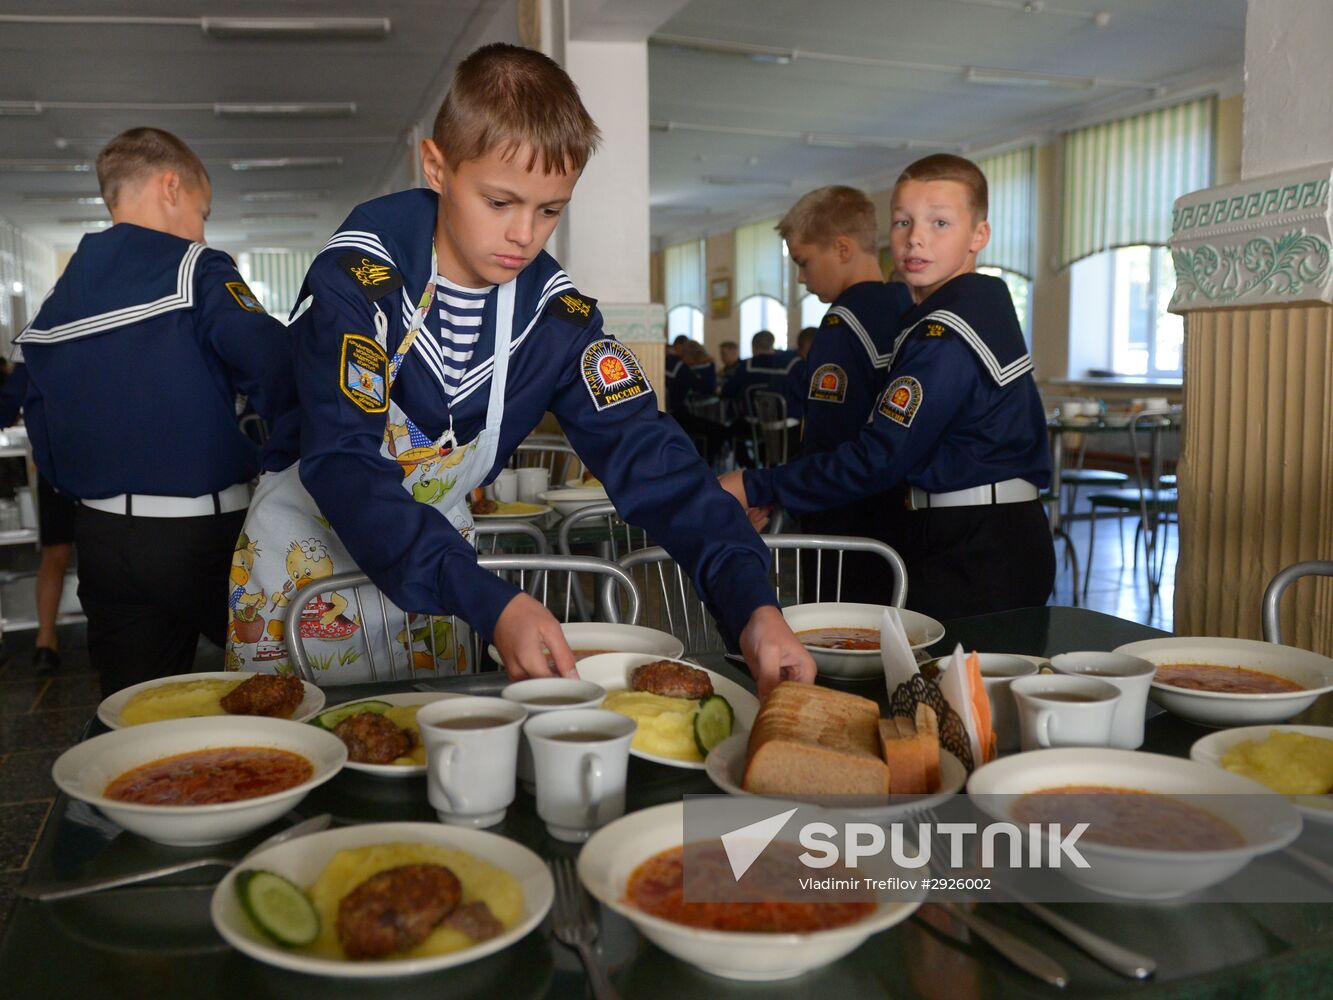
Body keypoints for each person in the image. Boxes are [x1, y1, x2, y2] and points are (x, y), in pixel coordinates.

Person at [230, 44, 813, 696]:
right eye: (499, 202)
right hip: (310, 570)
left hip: (436, 583)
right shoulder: (360, 279)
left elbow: (653, 460)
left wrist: (751, 604)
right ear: (437, 167)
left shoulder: (554, 318)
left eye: (548, 210)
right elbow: (344, 463)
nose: (524, 237)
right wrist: (487, 598)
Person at [12, 127, 296, 697]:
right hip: (205, 537)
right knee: (282, 690)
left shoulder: (56, 303)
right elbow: (274, 367)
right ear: (171, 186)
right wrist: (284, 460)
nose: (201, 228)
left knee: (136, 710)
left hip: (103, 542)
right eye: (203, 211)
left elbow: (38, 417)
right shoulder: (195, 268)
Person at [721, 154, 1055, 620]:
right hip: (963, 531)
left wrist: (759, 483)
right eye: (903, 221)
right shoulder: (945, 313)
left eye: (940, 222)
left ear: (980, 235)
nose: (916, 237)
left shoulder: (949, 330)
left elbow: (881, 453)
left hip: (976, 545)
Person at [779, 186, 915, 603]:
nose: (801, 278)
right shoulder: (908, 303)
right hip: (901, 515)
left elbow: (827, 435)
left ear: (841, 248)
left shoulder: (843, 323)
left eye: (803, 262)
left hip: (844, 517)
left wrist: (785, 492)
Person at [0, 363, 75, 673]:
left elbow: (5, 409)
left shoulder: (36, 343)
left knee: (54, 554)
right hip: (106, 460)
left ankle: (45, 642)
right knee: (113, 547)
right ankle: (119, 636)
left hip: (56, 464)